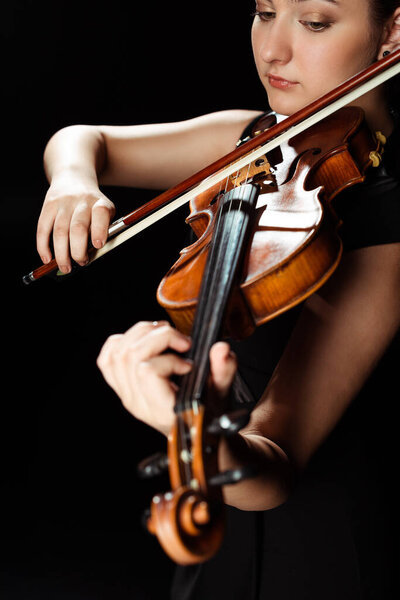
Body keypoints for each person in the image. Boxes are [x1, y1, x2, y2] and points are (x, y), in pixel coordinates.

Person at [36, 1, 400, 598]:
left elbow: (277, 461)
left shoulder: (385, 219)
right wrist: (74, 178)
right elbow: (83, 139)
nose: (273, 50)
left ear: (393, 32)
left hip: (324, 548)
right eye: (264, 12)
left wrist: (190, 431)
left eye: (313, 22)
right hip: (223, 525)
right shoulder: (255, 140)